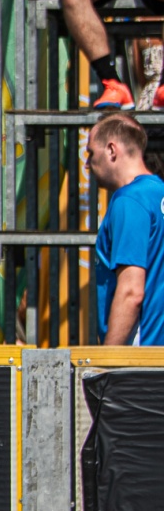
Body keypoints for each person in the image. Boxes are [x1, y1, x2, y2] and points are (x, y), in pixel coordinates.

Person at [87, 112, 164, 346]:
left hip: (143, 357)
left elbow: (131, 292)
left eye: (91, 153)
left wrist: (108, 360)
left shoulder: (130, 200)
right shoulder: (158, 193)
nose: (87, 164)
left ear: (111, 150)